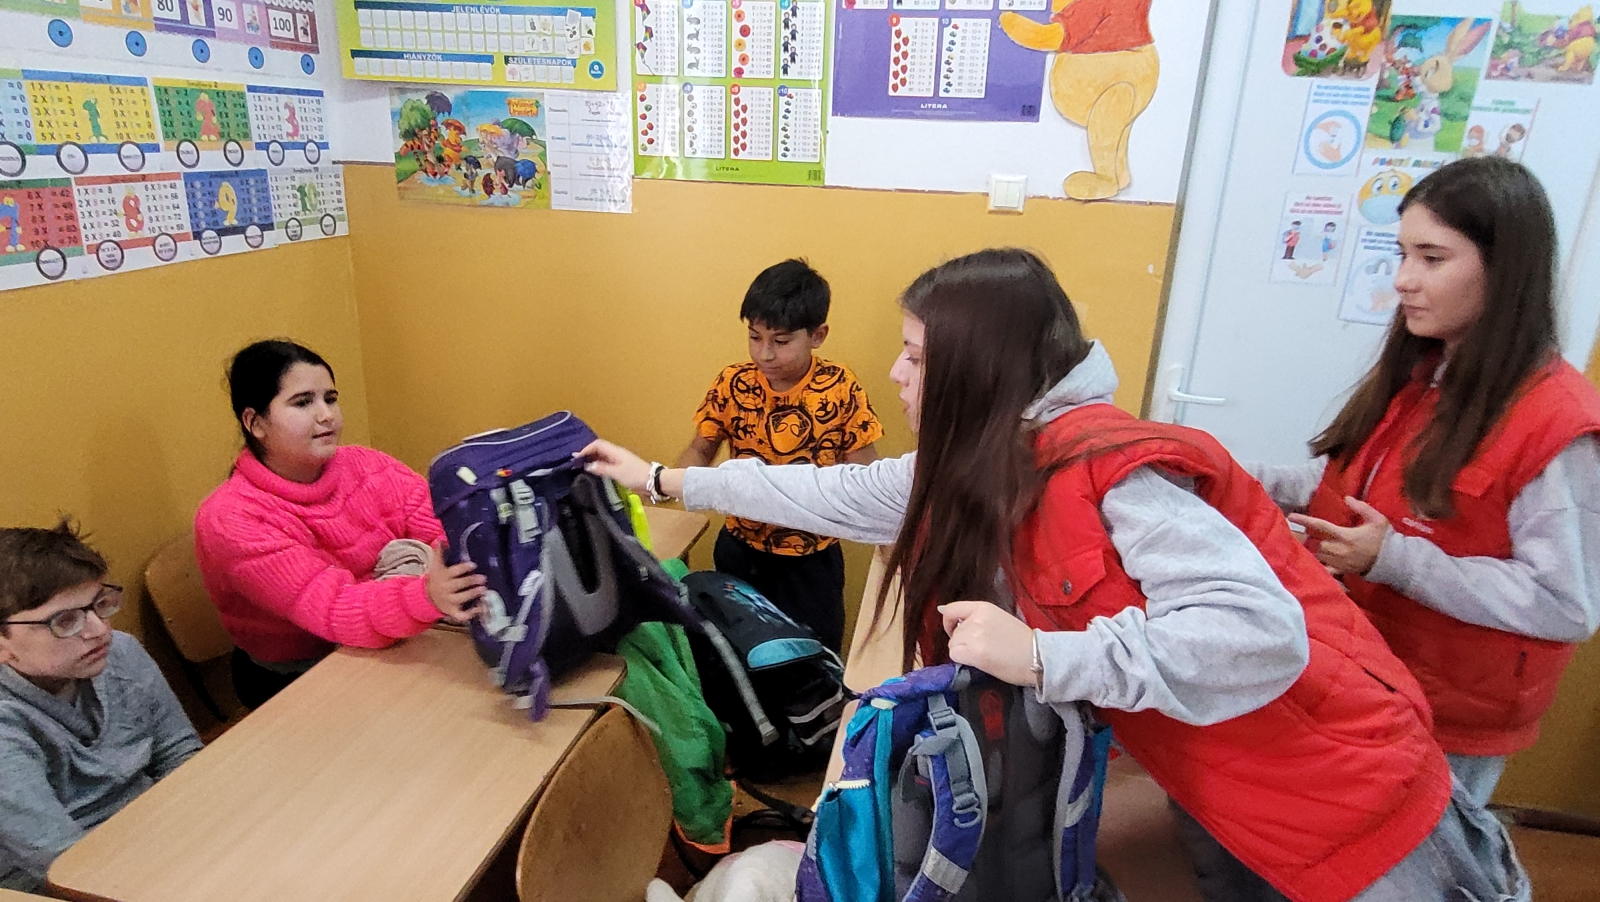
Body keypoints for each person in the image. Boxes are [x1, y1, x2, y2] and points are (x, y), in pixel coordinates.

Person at [584, 249, 1528, 902]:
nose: (898, 373)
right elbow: (836, 492)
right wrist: (665, 479)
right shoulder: (996, 457)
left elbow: (1261, 634)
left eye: (917, 355)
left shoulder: (1110, 475)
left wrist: (1044, 654)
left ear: (980, 368)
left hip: (1352, 802)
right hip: (1232, 788)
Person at [1246, 157, 1600, 807]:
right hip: (1364, 672)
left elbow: (1564, 603)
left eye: (1432, 259)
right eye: (1402, 254)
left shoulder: (1559, 423)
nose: (1404, 280)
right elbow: (1346, 483)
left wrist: (1395, 560)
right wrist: (1238, 476)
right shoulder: (1423, 375)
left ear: (1505, 270)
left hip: (1448, 716)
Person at [194, 340, 486, 708]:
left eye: (330, 399)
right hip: (298, 676)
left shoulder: (366, 464)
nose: (326, 415)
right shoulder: (231, 518)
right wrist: (427, 596)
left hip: (391, 635)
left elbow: (441, 529)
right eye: (303, 403)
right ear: (255, 423)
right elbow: (335, 609)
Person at [669, 259, 882, 652]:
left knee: (813, 658)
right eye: (755, 337)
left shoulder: (840, 388)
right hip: (740, 551)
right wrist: (665, 484)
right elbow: (701, 448)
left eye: (781, 342)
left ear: (817, 335)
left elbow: (866, 476)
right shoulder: (733, 383)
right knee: (739, 657)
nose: (764, 354)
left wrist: (887, 533)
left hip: (810, 562)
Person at [0, 521, 203, 891]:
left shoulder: (119, 652)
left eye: (99, 605)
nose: (100, 630)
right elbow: (60, 862)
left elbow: (180, 753)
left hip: (154, 835)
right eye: (65, 621)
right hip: (61, 881)